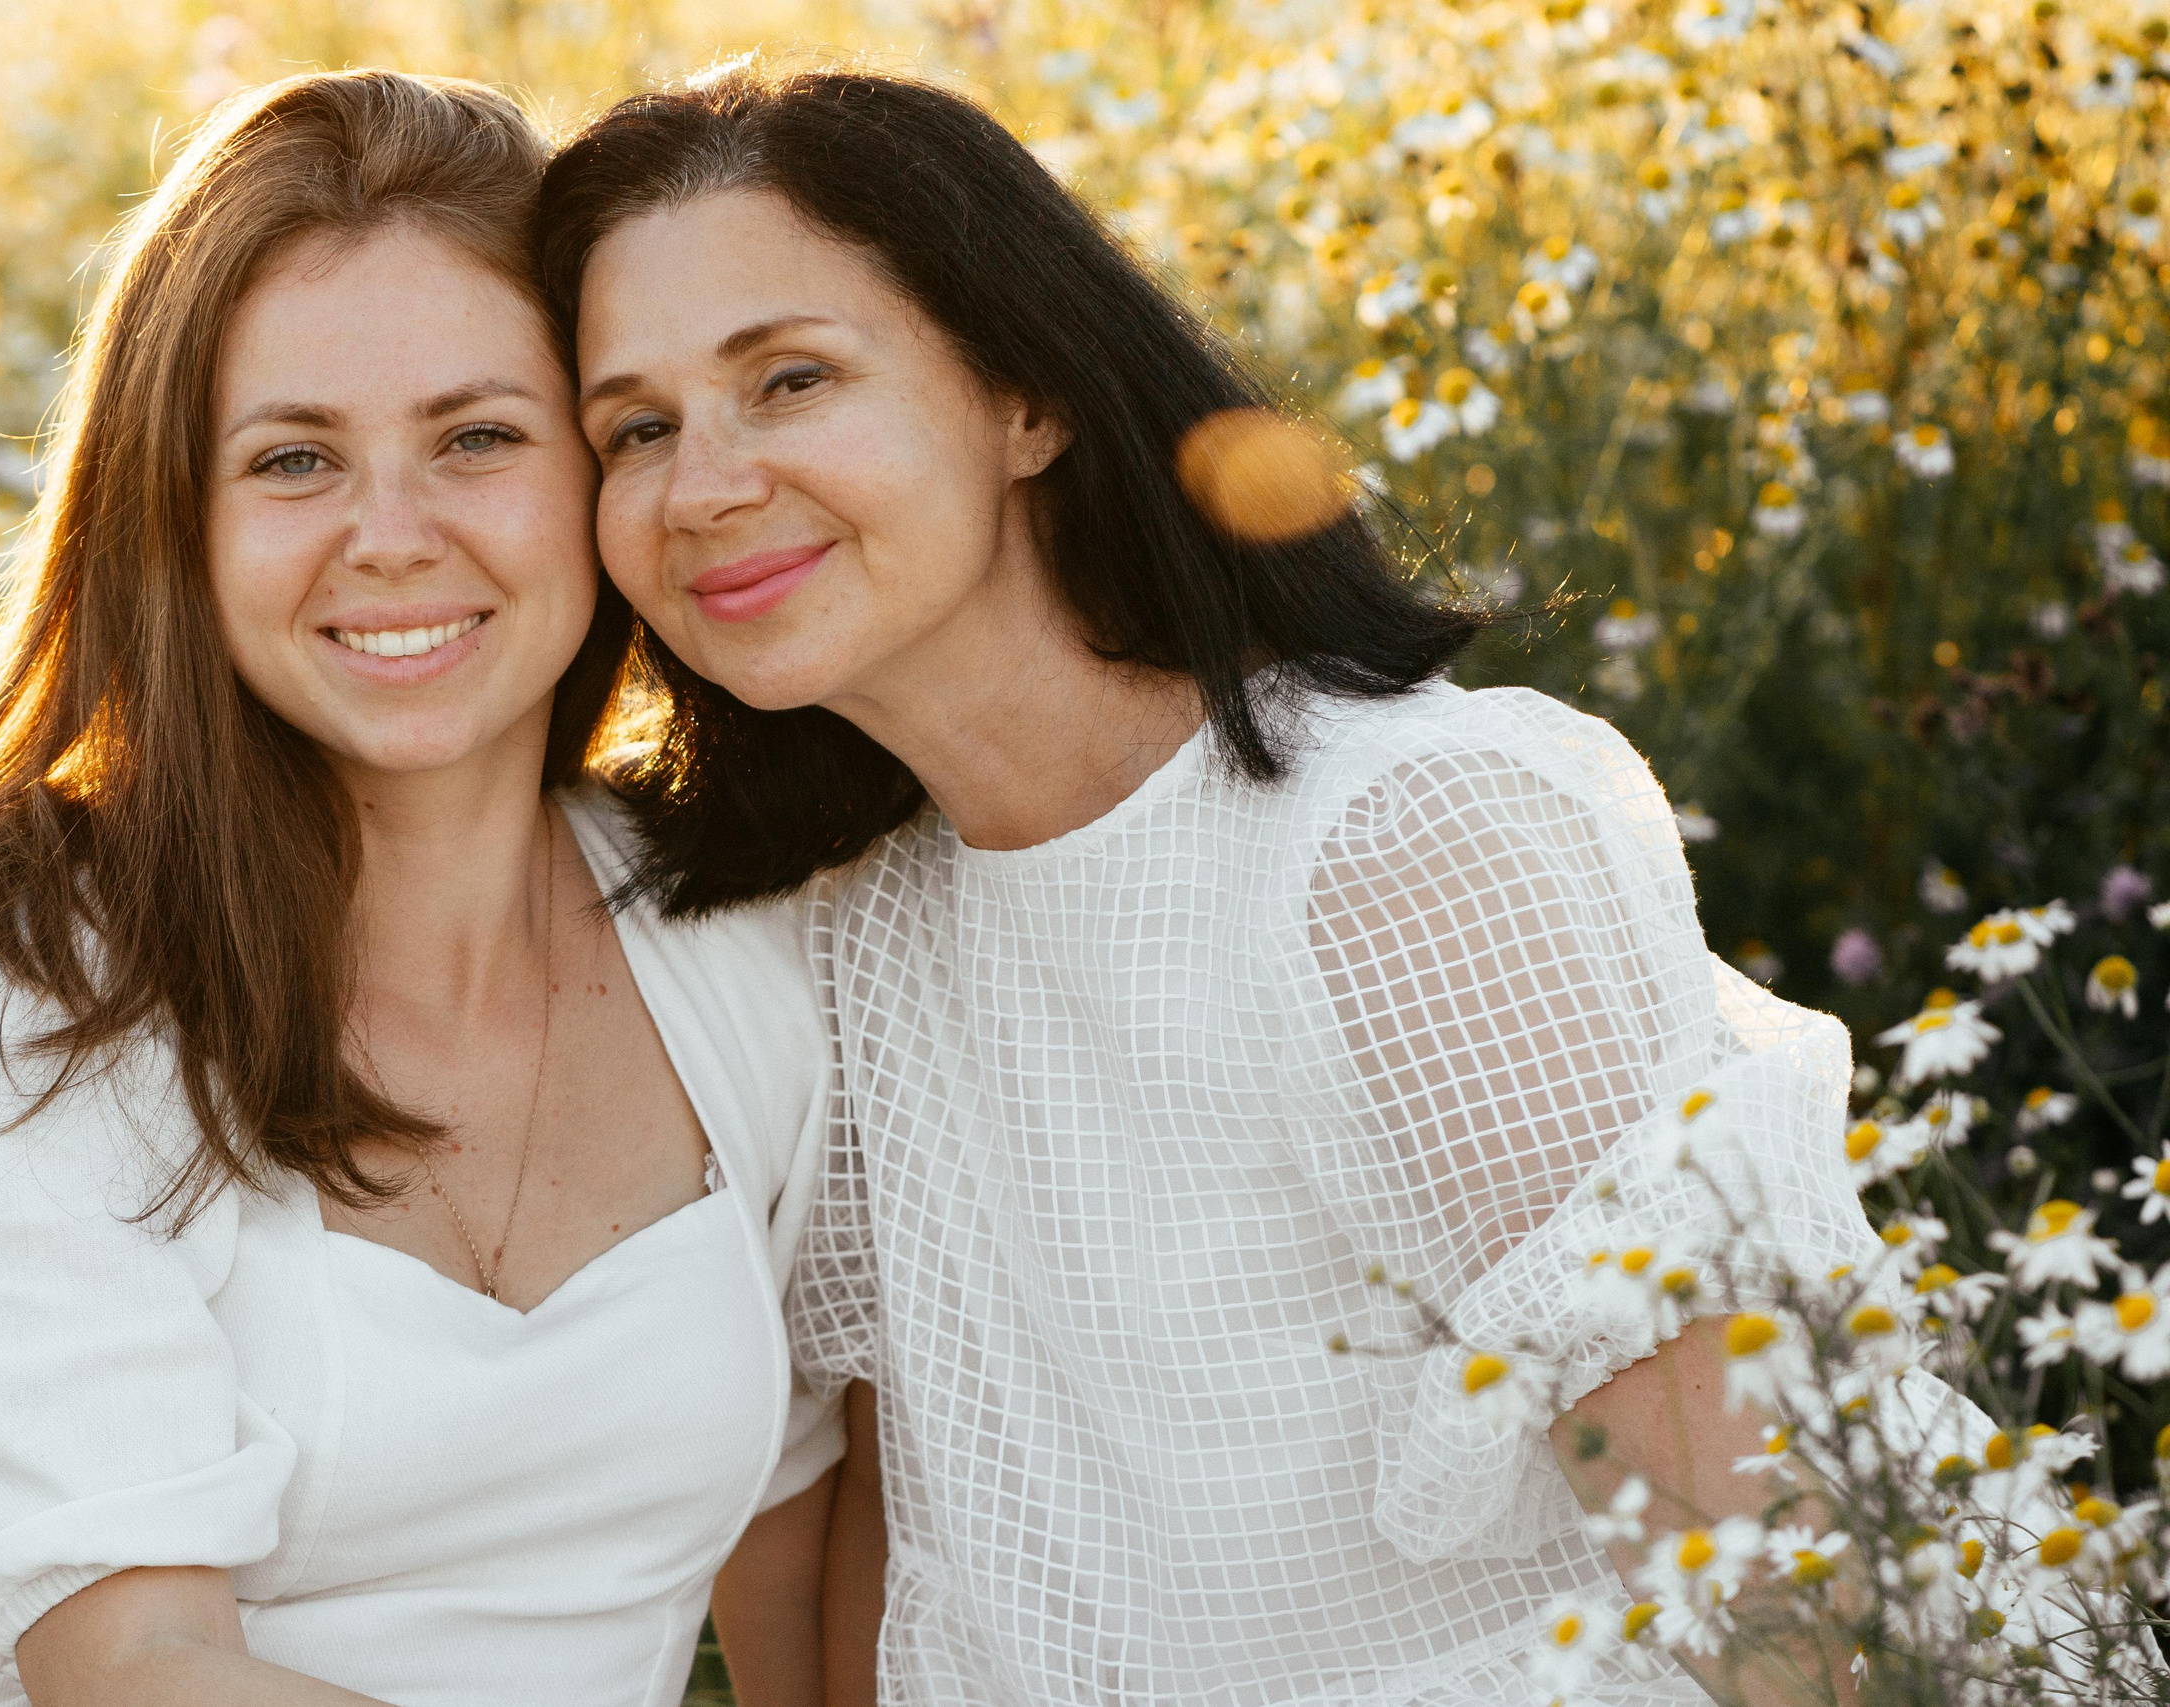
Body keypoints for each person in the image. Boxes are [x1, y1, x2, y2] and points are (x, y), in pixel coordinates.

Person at [540, 66, 1905, 1707]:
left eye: (792, 379)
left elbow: (1779, 1588)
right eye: (638, 428)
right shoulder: (859, 930)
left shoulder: (1406, 848)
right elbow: (931, 1552)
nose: (705, 486)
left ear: (1026, 398)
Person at [0, 70, 841, 1707]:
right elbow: (139, 1665)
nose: (392, 534)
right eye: (295, 460)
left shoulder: (732, 931)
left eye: (478, 437)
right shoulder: (23, 978)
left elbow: (798, 1547)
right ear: (171, 515)